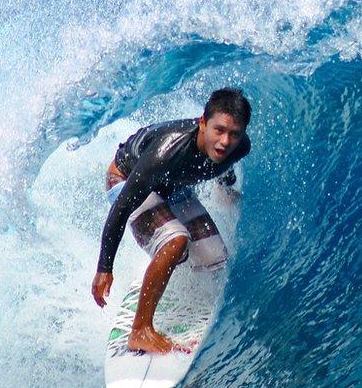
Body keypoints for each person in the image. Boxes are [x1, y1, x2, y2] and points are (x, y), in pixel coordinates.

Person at [91, 87, 252, 354]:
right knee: (176, 241)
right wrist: (104, 268)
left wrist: (227, 187)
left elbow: (224, 165)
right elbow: (121, 208)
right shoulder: (165, 154)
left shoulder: (239, 147)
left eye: (234, 134)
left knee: (214, 257)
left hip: (171, 185)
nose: (225, 141)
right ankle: (140, 331)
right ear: (203, 122)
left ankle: (162, 268)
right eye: (219, 130)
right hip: (127, 179)